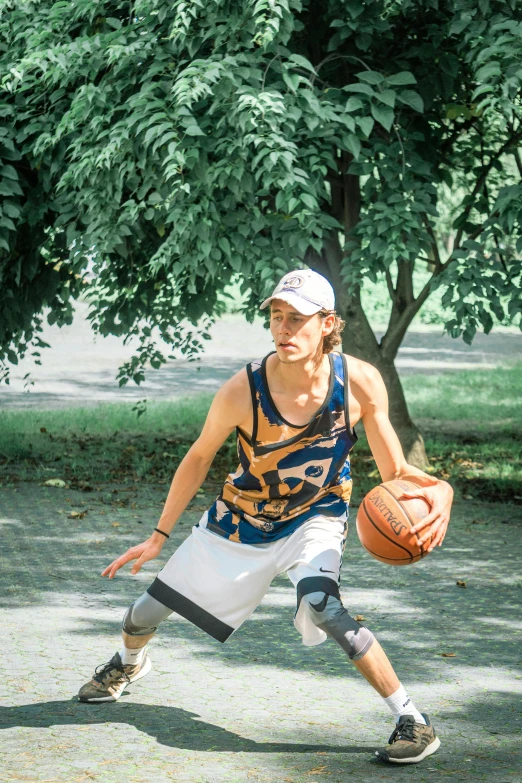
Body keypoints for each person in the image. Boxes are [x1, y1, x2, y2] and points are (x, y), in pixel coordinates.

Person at [78, 269, 453, 764]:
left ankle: (413, 720)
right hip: (240, 518)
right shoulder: (243, 389)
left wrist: (440, 491)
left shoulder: (359, 383)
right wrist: (158, 536)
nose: (284, 329)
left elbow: (395, 473)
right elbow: (197, 457)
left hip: (314, 516)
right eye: (277, 317)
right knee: (145, 614)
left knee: (322, 604)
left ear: (327, 324)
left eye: (298, 319)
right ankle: (127, 664)